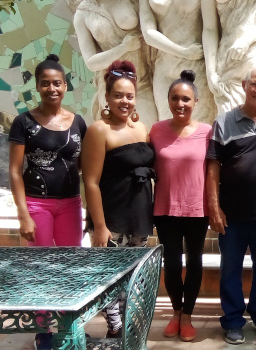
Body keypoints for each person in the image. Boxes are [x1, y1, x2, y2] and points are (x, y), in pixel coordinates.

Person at [8, 54, 87, 350]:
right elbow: (15, 171)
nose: (51, 88)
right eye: (45, 84)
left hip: (70, 204)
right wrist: (23, 215)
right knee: (41, 266)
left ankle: (68, 324)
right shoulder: (23, 123)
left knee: (71, 266)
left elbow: (86, 165)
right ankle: (43, 328)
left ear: (65, 86)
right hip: (37, 205)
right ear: (37, 88)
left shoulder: (78, 122)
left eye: (57, 83)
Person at [205, 67, 256, 345]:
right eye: (255, 84)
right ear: (244, 85)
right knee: (231, 269)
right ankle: (232, 321)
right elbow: (213, 169)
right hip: (232, 215)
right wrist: (214, 208)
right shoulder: (224, 122)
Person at [81, 60, 155, 338]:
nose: (125, 101)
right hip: (111, 218)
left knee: (133, 276)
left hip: (138, 217)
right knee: (109, 275)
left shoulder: (141, 129)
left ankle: (128, 327)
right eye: (118, 95)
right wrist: (99, 226)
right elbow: (90, 181)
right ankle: (116, 327)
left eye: (130, 96)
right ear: (107, 98)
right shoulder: (98, 130)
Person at [149, 70, 211, 342]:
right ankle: (176, 312)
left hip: (197, 209)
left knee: (194, 261)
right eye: (175, 98)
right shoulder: (156, 130)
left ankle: (188, 316)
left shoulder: (207, 132)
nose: (180, 104)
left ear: (195, 101)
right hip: (165, 209)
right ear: (168, 100)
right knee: (172, 264)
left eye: (186, 99)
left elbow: (214, 172)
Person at [73, 0, 157, 126]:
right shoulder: (82, 14)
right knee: (120, 136)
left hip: (143, 80)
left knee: (147, 130)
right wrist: (124, 47)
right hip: (112, 87)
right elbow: (91, 63)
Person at [139, 0, 216, 123]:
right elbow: (148, 33)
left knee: (199, 125)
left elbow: (210, 28)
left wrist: (212, 70)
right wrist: (183, 52)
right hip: (165, 68)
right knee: (167, 125)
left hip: (196, 66)